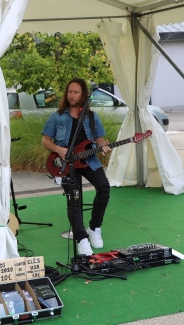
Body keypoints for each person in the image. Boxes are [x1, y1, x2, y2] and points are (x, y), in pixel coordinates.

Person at [41, 79, 111, 256]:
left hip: (88, 160)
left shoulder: (92, 117)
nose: (72, 95)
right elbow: (45, 140)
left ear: (84, 95)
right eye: (69, 92)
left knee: (104, 187)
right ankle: (81, 239)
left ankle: (94, 228)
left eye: (76, 92)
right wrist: (59, 149)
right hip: (66, 164)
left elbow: (100, 138)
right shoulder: (57, 116)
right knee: (74, 199)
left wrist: (103, 146)